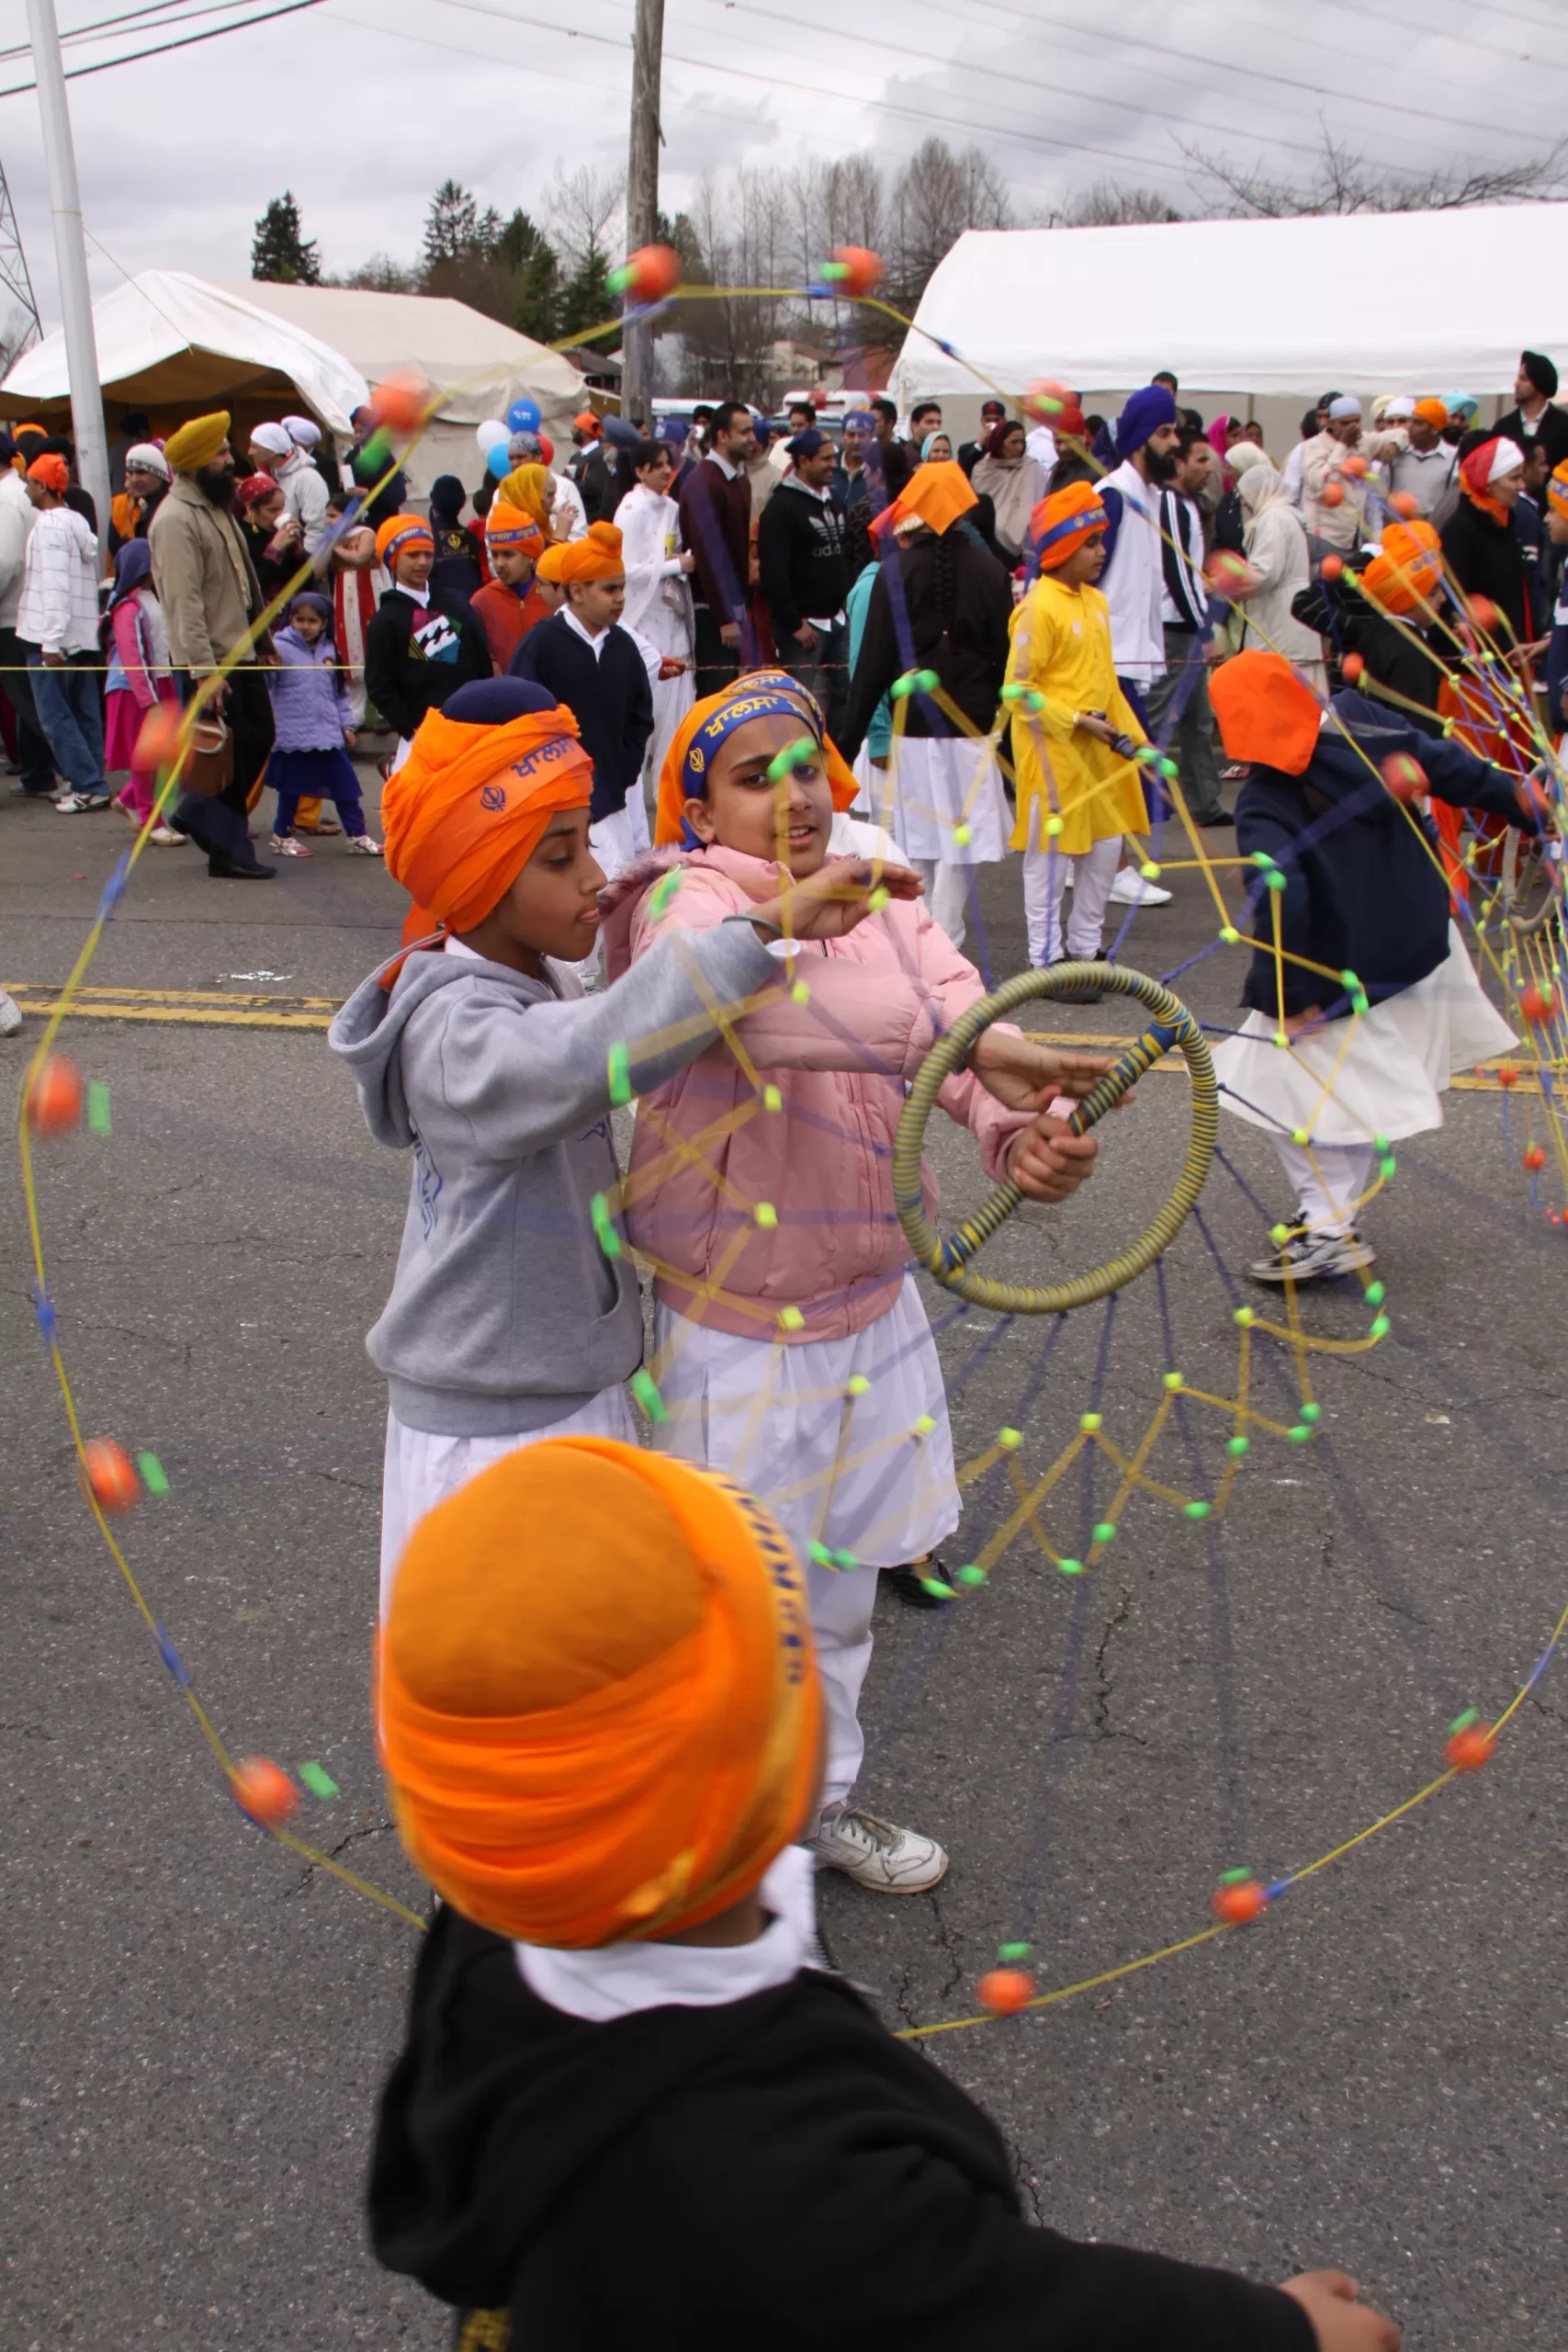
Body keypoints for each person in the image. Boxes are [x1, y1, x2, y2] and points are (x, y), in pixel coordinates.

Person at [369, 1430, 1404, 2352]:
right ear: (764, 1777)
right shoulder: (778, 2181)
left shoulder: (495, 1931)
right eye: (792, 1660)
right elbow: (1010, 2307)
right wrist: (1278, 2329)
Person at [603, 680, 1111, 1886]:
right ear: (697, 808)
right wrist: (981, 1051)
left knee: (834, 1604)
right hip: (732, 1333)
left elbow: (951, 1020)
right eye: (751, 776)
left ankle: (809, 1811)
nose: (791, 795)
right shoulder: (683, 903)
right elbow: (769, 1020)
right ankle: (725, 1867)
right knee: (733, 1614)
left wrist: (1015, 1127)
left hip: (872, 1311)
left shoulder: (878, 890)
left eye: (806, 764)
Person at [330, 676, 905, 1604]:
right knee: (518, 1695)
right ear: (474, 879)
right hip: (493, 1428)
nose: (596, 874)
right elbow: (598, 1052)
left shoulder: (531, 978)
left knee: (595, 1676)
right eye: (560, 857)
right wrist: (762, 925)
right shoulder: (454, 1038)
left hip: (569, 1385)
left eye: (588, 842)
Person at [1208, 651, 1529, 1286]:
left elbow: (1282, 894)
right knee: (1332, 1091)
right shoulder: (1362, 725)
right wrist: (1531, 805)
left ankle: (1328, 1230)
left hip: (1340, 969)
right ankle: (1329, 1218)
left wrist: (1285, 994)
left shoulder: (1266, 799)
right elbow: (1448, 765)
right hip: (1417, 940)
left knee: (1275, 1084)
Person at [838, 461, 1013, 946]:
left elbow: (870, 666)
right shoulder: (993, 572)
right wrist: (1010, 747)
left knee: (914, 844)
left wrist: (844, 742)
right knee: (961, 844)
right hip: (973, 733)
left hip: (911, 733)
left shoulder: (895, 573)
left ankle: (921, 942)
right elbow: (1006, 664)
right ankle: (947, 937)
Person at [1005, 482, 1152, 986]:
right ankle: (1044, 962)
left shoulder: (1097, 603)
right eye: (1091, 543)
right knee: (1050, 861)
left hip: (1100, 755)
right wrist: (1075, 720)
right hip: (1055, 756)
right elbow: (1017, 692)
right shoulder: (1037, 608)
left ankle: (1087, 953)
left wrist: (1136, 738)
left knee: (1105, 852)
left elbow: (1107, 684)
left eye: (1100, 541)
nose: (1101, 552)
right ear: (1063, 548)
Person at [510, 522, 654, 941]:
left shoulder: (623, 647)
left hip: (612, 799)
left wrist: (623, 771)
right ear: (576, 592)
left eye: (622, 588)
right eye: (609, 589)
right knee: (570, 905)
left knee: (618, 898)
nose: (621, 599)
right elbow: (523, 722)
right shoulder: (542, 643)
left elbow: (639, 718)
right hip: (556, 801)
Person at [1094, 384, 1182, 906]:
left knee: (1120, 766)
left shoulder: (1152, 499)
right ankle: (1115, 868)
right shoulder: (1114, 495)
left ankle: (1100, 864)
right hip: (1109, 657)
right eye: (1164, 433)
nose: (1173, 443)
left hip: (1133, 653)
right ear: (1138, 440)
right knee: (1121, 767)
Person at [16, 452, 110, 814]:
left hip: (53, 638)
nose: (26, 487)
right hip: (82, 636)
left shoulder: (50, 526)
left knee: (56, 717)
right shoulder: (75, 522)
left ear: (42, 485)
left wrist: (51, 640)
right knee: (84, 713)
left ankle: (88, 784)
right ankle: (91, 780)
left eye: (29, 482)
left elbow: (53, 586)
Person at [1291, 520, 1448, 737]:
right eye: (1433, 592)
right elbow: (1417, 731)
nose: (1444, 598)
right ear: (1410, 599)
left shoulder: (1390, 638)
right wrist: (1357, 629)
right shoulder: (1409, 651)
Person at [1146, 427, 1230, 827]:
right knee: (1157, 718)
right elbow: (1176, 574)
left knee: (1199, 718)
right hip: (1175, 627)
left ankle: (1204, 801)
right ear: (1178, 463)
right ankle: (1142, 799)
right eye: (1200, 459)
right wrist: (1205, 630)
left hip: (1184, 622)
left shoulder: (1186, 504)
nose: (1208, 467)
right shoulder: (1171, 505)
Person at [363, 513, 492, 769]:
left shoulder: (455, 602)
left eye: (428, 554)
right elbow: (380, 687)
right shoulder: (386, 620)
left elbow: (480, 659)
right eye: (412, 555)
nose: (422, 562)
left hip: (471, 728)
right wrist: (412, 729)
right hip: (422, 739)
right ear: (392, 560)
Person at [263, 590, 379, 856]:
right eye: (299, 619)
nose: (305, 626)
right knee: (290, 790)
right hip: (293, 735)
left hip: (327, 734)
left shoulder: (330, 651)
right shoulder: (279, 648)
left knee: (346, 786)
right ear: (290, 619)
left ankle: (356, 835)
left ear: (324, 623)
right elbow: (267, 685)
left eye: (312, 621)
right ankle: (282, 836)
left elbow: (340, 693)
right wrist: (268, 665)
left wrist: (346, 725)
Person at [757, 428, 851, 739]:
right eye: (825, 459)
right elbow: (773, 573)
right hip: (803, 628)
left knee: (846, 695)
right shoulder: (781, 508)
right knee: (796, 702)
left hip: (838, 620)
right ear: (803, 460)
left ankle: (836, 757)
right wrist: (795, 623)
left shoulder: (835, 499)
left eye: (833, 457)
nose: (832, 464)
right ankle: (794, 761)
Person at [616, 439, 695, 803]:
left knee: (677, 724)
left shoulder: (674, 508)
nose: (666, 470)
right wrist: (675, 565)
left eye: (669, 464)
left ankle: (671, 802)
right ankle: (633, 803)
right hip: (644, 623)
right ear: (640, 470)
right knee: (647, 718)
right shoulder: (631, 511)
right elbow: (627, 572)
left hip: (673, 619)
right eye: (658, 465)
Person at [102, 538, 183, 844]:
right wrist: (149, 700)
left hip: (161, 681)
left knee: (167, 752)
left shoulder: (151, 598)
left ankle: (129, 799)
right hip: (136, 690)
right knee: (146, 757)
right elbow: (133, 656)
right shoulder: (128, 607)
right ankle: (152, 820)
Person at [1229, 449, 1326, 696]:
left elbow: (1265, 573)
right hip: (1291, 615)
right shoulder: (1284, 516)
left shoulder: (1273, 518)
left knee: (1284, 696)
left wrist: (1228, 584)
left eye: (1245, 495)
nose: (1244, 503)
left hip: (1282, 619)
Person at [677, 399, 756, 695]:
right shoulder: (705, 482)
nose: (752, 439)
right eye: (745, 432)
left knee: (733, 692)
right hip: (710, 613)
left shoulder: (738, 480)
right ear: (723, 436)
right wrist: (725, 618)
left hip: (732, 610)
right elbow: (709, 555)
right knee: (716, 696)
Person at [1439, 435, 1533, 652]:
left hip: (1510, 653)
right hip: (1480, 660)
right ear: (1488, 483)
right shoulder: (1460, 529)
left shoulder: (1505, 521)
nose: (1522, 486)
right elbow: (1449, 598)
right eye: (1514, 478)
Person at [0, 427, 54, 801]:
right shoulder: (18, 492)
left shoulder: (5, 499)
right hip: (24, 609)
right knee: (28, 698)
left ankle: (72, 773)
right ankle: (37, 773)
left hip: (11, 613)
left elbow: (5, 562)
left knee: (28, 699)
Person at [1300, 398, 1398, 555]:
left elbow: (1401, 434)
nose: (1351, 428)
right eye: (1344, 424)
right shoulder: (1314, 446)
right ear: (1331, 423)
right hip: (1324, 537)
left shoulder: (1364, 442)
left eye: (1356, 422)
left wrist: (1395, 445)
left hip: (1354, 537)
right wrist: (1343, 445)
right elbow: (1321, 481)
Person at [469, 500, 548, 672]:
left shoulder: (552, 595)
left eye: (508, 555)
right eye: (495, 555)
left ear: (530, 556)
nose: (500, 564)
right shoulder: (481, 602)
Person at [970, 417, 1045, 564]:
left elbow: (1041, 505)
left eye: (1022, 442)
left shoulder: (1032, 468)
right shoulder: (982, 470)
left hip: (1024, 552)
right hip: (987, 547)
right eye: (1014, 442)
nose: (1019, 447)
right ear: (999, 443)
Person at [236, 472, 305, 606]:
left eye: (282, 509)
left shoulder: (277, 532)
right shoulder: (239, 535)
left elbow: (305, 580)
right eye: (272, 510)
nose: (279, 515)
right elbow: (253, 586)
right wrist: (274, 550)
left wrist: (297, 548)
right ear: (250, 508)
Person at [1496, 350, 1568, 475]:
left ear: (1539, 385)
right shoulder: (1503, 427)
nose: (1516, 384)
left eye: (1523, 379)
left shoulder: (1564, 426)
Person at [1386, 399, 1456, 519]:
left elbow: (1452, 502)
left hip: (1432, 529)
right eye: (1410, 421)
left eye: (1418, 423)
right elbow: (1378, 497)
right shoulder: (1396, 453)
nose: (1410, 427)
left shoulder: (1454, 458)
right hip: (1397, 529)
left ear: (1435, 429)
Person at [109, 440, 171, 554]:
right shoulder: (142, 506)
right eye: (130, 473)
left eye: (141, 472)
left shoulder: (169, 508)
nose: (134, 479)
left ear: (159, 475)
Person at [958, 397, 1007, 475]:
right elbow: (963, 472)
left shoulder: (1009, 447)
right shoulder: (965, 449)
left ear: (1004, 421)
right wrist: (979, 444)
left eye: (997, 420)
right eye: (988, 420)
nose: (992, 423)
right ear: (982, 421)